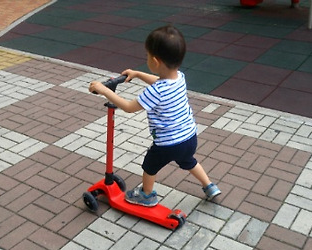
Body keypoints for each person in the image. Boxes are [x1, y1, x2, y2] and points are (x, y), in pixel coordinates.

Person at [89, 24, 221, 207]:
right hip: (189, 137)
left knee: (149, 166)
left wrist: (104, 90)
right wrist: (137, 74)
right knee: (189, 161)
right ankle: (209, 185)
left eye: (147, 56)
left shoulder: (155, 92)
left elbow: (128, 107)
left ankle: (146, 195)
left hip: (167, 144)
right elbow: (159, 79)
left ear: (156, 62)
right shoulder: (179, 77)